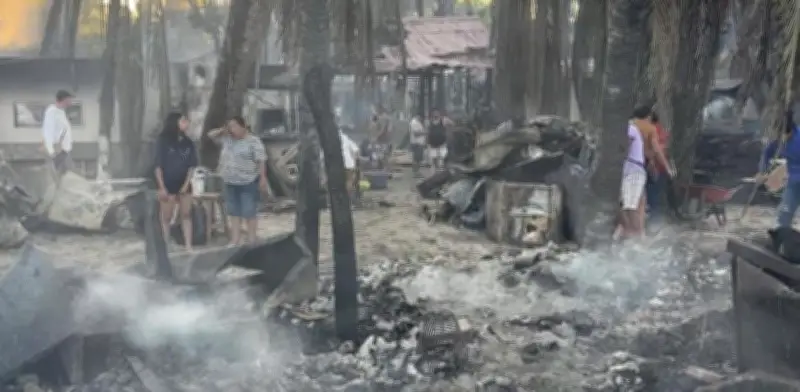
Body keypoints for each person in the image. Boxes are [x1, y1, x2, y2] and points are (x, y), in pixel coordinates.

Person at [208, 116, 268, 245]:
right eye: (230, 126)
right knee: (233, 211)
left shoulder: (253, 141)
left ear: (243, 126)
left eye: (235, 126)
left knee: (248, 210)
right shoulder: (227, 139)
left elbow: (261, 161)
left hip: (248, 181)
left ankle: (251, 238)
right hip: (230, 181)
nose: (232, 129)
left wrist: (263, 178)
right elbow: (211, 135)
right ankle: (235, 239)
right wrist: (222, 130)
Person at [154, 112, 197, 251]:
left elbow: (191, 166)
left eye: (187, 121)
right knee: (166, 217)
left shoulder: (188, 143)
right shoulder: (163, 141)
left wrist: (186, 184)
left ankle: (188, 245)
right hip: (167, 182)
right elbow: (158, 166)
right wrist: (161, 187)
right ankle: (165, 245)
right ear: (175, 122)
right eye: (183, 121)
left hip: (184, 182)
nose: (186, 124)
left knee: (186, 214)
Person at [763, 110, 800, 228]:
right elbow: (767, 153)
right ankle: (780, 236)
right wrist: (762, 171)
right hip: (793, 182)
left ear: (791, 131)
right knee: (785, 211)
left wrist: (781, 172)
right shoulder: (778, 140)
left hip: (795, 177)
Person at [645, 111, 670, 223]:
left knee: (651, 195)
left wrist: (652, 162)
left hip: (655, 167)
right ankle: (652, 220)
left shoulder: (652, 130)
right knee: (652, 194)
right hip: (656, 167)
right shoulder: (658, 129)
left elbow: (657, 149)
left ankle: (653, 221)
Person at [42, 90, 75, 174]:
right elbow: (48, 132)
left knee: (67, 175)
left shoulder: (61, 112)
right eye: (69, 100)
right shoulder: (52, 112)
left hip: (65, 150)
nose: (71, 102)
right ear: (64, 100)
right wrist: (52, 153)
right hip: (58, 152)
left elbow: (62, 129)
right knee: (61, 175)